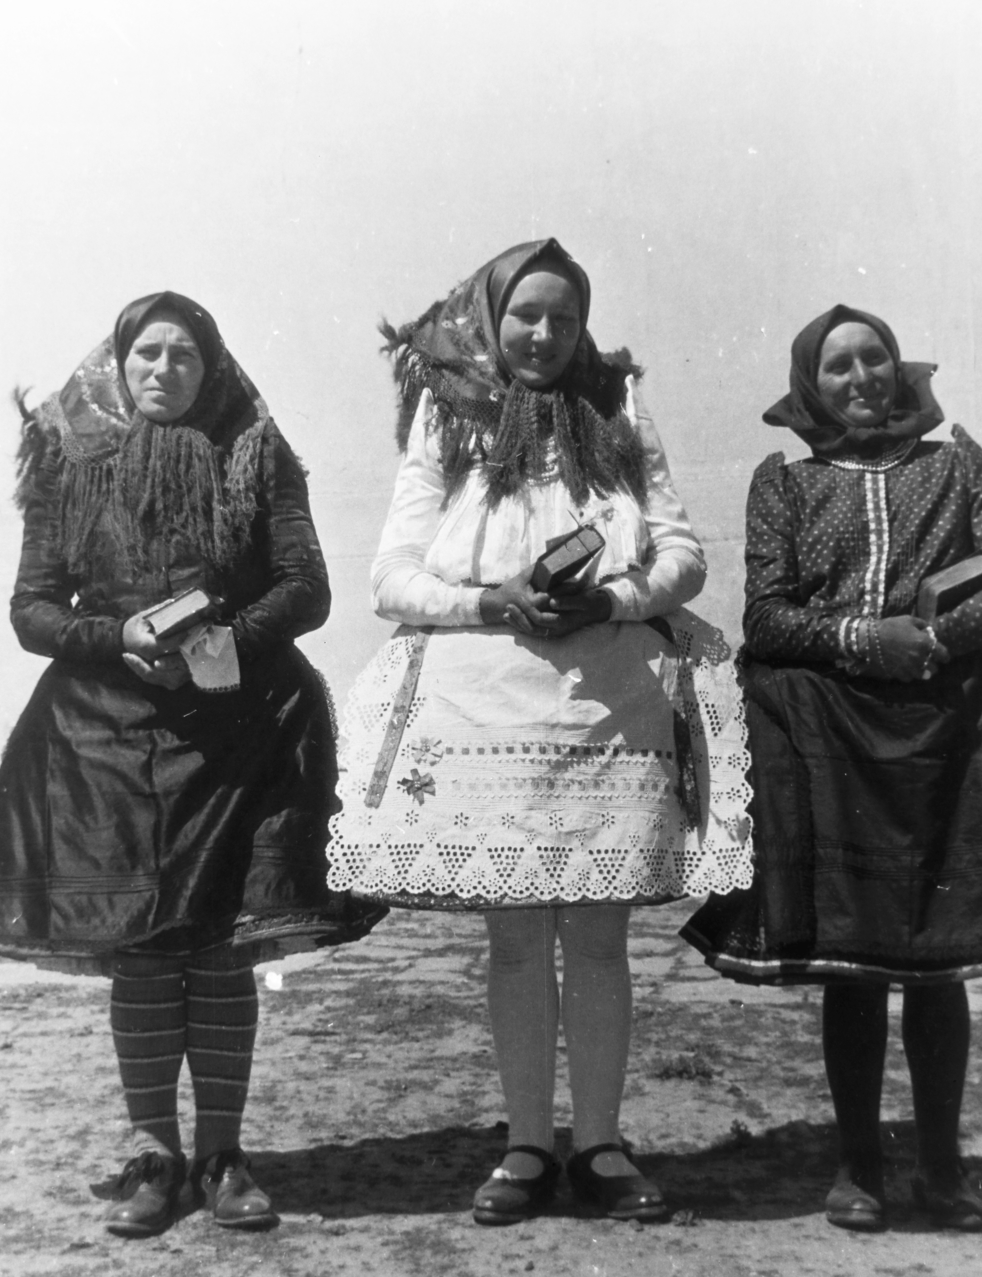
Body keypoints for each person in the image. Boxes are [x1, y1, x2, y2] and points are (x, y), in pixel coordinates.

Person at [328, 240, 752, 1225]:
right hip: (486, 707)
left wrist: (610, 596)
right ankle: (525, 1143)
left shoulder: (614, 405)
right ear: (491, 312)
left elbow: (680, 549)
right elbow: (392, 572)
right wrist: (495, 601)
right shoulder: (445, 407)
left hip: (606, 703)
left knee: (598, 940)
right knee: (517, 940)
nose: (544, 334)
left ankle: (599, 1142)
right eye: (526, 313)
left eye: (563, 317)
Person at [682, 304, 982, 1232]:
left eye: (873, 359)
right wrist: (859, 637)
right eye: (838, 366)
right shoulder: (785, 484)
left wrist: (930, 637)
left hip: (951, 726)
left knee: (939, 958)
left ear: (899, 369)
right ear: (813, 383)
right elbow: (766, 614)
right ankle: (858, 1164)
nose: (860, 378)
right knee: (856, 961)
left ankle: (942, 1160)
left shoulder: (955, 464)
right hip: (836, 732)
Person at [0, 291, 384, 1239]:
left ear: (212, 367)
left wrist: (229, 634)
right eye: (147, 353)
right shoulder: (70, 462)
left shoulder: (254, 451)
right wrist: (115, 635)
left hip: (242, 732)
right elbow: (31, 607)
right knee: (144, 953)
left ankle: (222, 1154)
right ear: (119, 361)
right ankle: (154, 1154)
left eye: (184, 356)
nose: (163, 372)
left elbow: (306, 585)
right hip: (103, 734)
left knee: (221, 948)